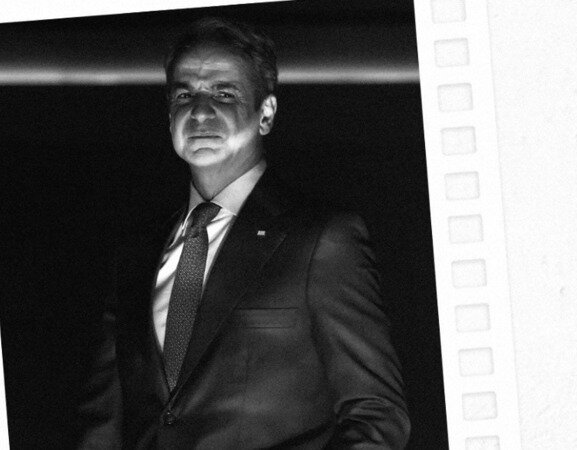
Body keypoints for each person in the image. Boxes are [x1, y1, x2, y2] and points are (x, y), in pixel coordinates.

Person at [79, 17, 411, 449]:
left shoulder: (321, 239)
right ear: (169, 113)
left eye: (224, 93)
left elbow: (376, 413)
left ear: (266, 113)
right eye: (184, 95)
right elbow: (104, 421)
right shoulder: (137, 251)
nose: (200, 111)